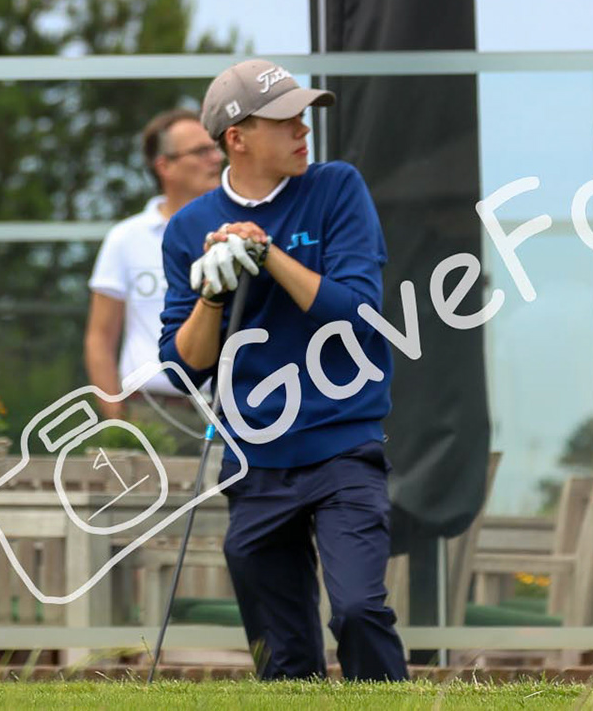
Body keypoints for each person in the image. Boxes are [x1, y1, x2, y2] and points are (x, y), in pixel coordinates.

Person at [157, 58, 408, 682]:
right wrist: (212, 298)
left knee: (356, 609)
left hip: (344, 445)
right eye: (285, 120)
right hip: (254, 460)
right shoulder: (190, 229)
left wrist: (266, 256)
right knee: (282, 652)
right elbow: (184, 366)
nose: (303, 130)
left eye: (304, 116)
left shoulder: (336, 187)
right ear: (237, 138)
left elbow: (357, 311)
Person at [84, 110, 223, 424]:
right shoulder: (126, 238)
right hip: (152, 411)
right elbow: (99, 339)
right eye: (201, 151)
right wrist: (116, 421)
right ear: (165, 166)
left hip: (231, 408)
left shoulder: (238, 231)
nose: (216, 158)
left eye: (214, 147)